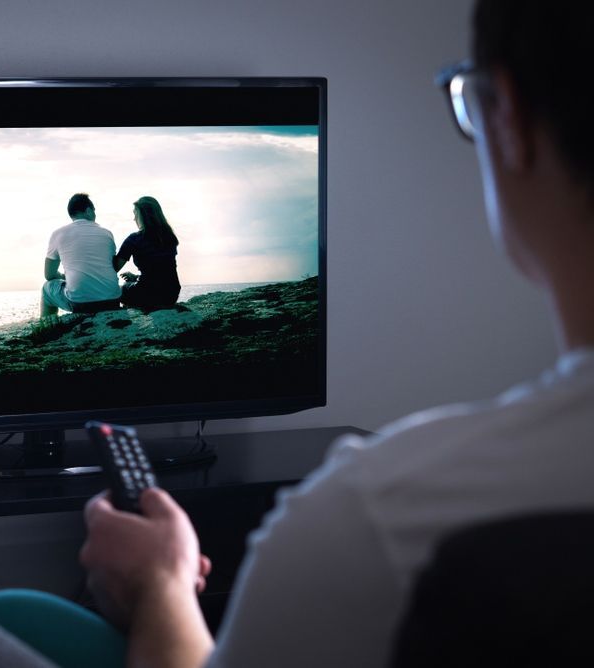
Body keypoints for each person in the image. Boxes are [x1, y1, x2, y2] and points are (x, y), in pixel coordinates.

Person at [80, 2, 594, 667]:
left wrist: (159, 586)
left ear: (509, 118)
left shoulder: (376, 519)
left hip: (144, 309)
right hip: (166, 295)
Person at [41, 193, 123, 316]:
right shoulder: (107, 233)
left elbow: (49, 275)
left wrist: (65, 276)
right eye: (94, 211)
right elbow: (110, 266)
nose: (95, 215)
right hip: (112, 300)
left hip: (81, 303)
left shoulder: (58, 234)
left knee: (46, 288)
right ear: (89, 211)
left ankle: (49, 329)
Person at [114, 196, 181, 309]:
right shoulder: (169, 237)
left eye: (135, 213)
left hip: (147, 294)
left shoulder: (134, 239)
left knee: (122, 289)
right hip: (171, 294)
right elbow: (160, 271)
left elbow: (115, 268)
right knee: (136, 285)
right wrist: (136, 277)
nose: (134, 218)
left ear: (142, 215)